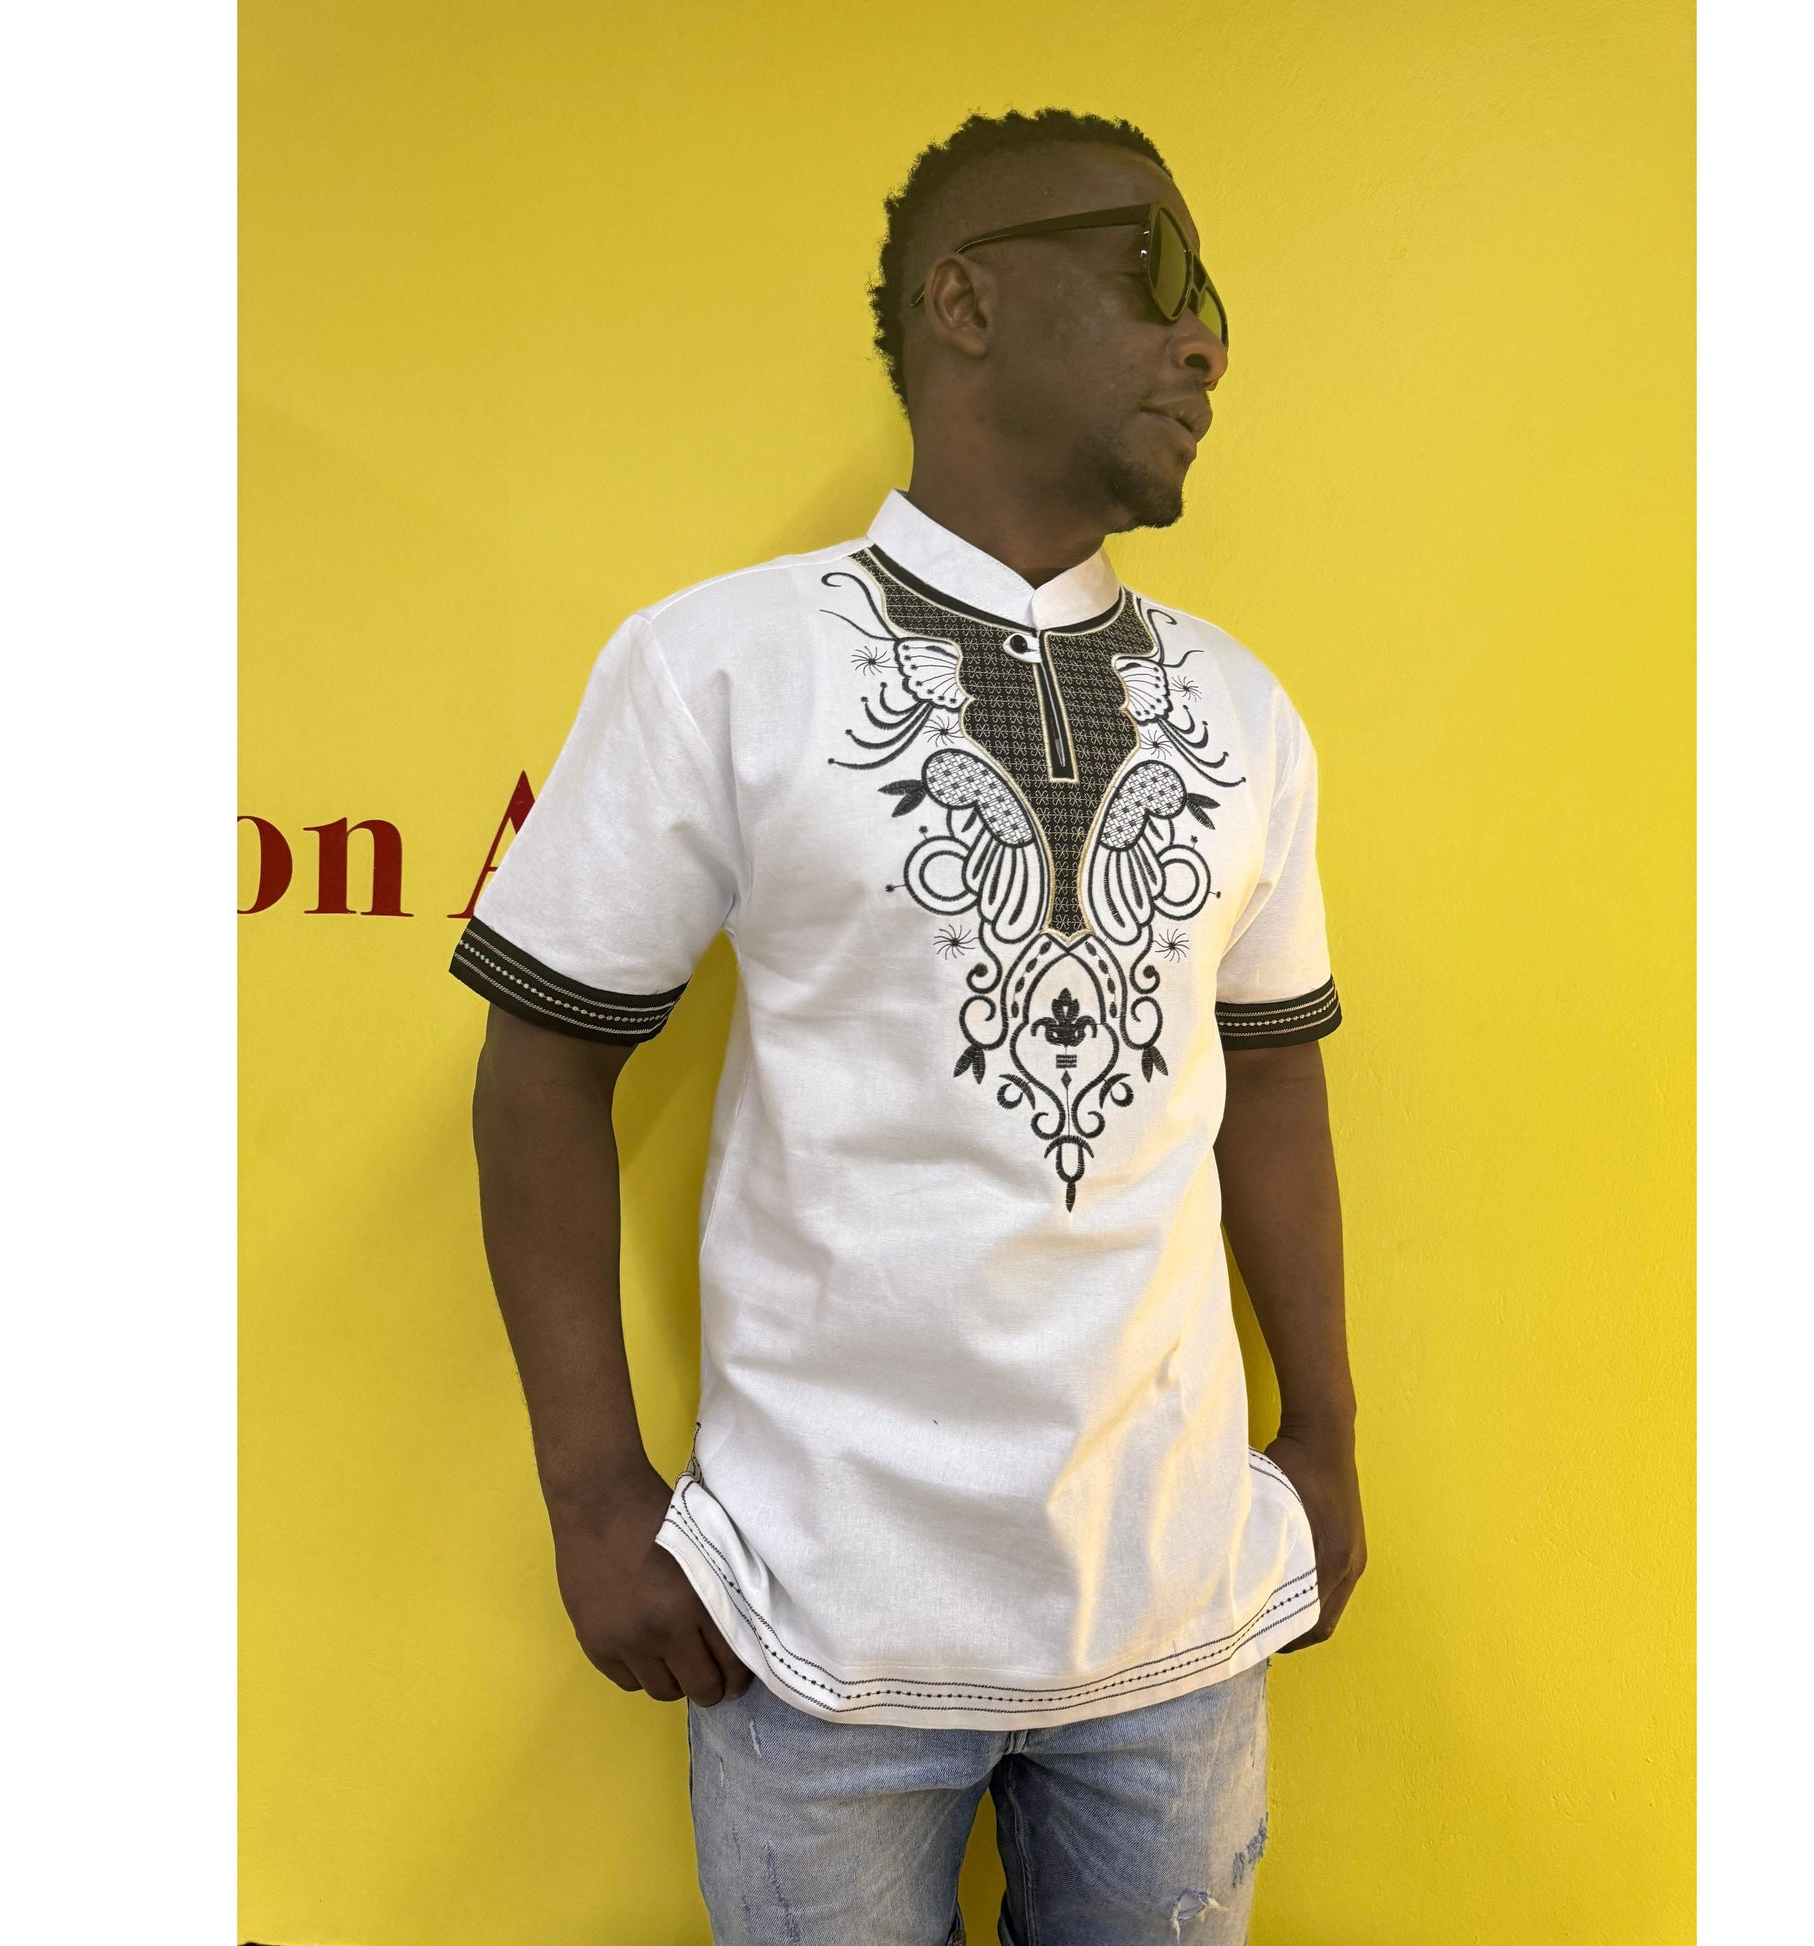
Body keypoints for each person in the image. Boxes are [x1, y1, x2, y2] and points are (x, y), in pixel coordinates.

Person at [455, 107, 1366, 1946]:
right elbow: (541, 1066)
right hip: (811, 1614)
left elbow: (1270, 1078)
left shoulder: (1241, 709)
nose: (1202, 341)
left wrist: (1329, 1432)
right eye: (1156, 271)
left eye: (1214, 302)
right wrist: (592, 1493)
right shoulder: (719, 666)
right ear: (964, 301)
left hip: (1172, 1599)